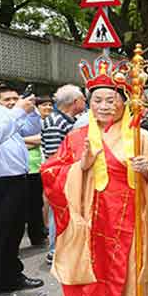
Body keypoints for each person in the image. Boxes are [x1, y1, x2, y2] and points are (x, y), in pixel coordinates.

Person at [41, 57, 148, 296]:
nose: (103, 106)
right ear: (88, 102)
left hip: (129, 228)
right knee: (88, 287)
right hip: (92, 228)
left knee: (126, 288)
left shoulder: (141, 137)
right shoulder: (76, 137)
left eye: (111, 100)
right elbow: (51, 173)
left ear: (123, 102)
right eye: (97, 100)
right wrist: (80, 166)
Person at [0, 82, 44, 296]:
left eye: (16, 98)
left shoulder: (10, 116)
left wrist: (30, 110)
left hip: (18, 180)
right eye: (7, 100)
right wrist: (15, 112)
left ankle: (10, 276)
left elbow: (34, 130)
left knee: (13, 234)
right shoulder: (1, 117)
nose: (13, 102)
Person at [42, 84, 87, 265]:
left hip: (70, 173)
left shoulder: (67, 120)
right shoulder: (55, 122)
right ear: (75, 102)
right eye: (84, 99)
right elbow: (55, 156)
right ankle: (55, 250)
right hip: (60, 175)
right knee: (58, 212)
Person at [22, 95, 54, 247]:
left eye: (49, 104)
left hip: (39, 166)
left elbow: (41, 139)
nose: (47, 108)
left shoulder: (45, 121)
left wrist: (19, 139)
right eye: (44, 105)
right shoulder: (26, 120)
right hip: (25, 167)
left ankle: (40, 233)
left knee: (38, 201)